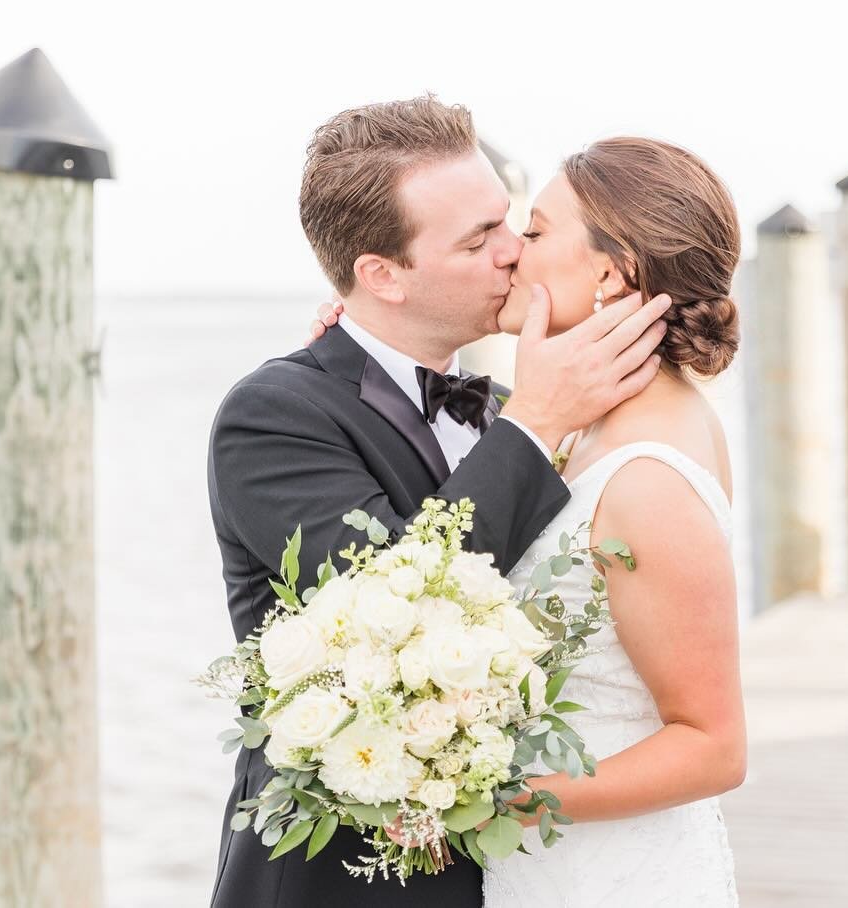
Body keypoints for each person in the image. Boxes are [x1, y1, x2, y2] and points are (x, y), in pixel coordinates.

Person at [207, 97, 668, 908]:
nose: (513, 253)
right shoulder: (273, 415)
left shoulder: (500, 408)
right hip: (338, 880)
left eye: (511, 223)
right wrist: (540, 420)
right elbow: (391, 611)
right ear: (381, 274)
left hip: (514, 867)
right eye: (477, 239)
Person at [310, 135, 747, 906]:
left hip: (609, 873)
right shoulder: (579, 425)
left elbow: (713, 748)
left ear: (610, 273)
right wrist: (359, 370)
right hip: (547, 864)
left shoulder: (647, 473)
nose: (512, 251)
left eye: (535, 231)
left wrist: (490, 801)